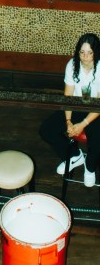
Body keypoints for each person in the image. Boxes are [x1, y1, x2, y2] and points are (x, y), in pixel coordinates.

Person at [39, 33, 100, 187]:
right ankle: (74, 156)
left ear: (96, 53)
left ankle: (90, 167)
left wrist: (82, 124)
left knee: (97, 142)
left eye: (90, 53)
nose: (85, 57)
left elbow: (98, 104)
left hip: (95, 110)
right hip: (76, 105)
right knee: (46, 130)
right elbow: (68, 97)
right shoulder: (72, 65)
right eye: (82, 52)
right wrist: (68, 121)